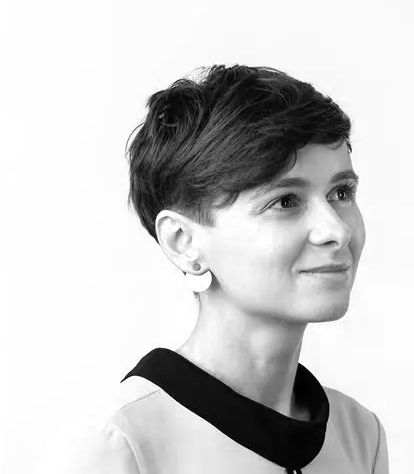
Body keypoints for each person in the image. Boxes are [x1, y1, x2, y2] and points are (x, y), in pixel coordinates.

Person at [32, 64, 389, 473]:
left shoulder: (360, 435)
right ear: (183, 241)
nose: (338, 230)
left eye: (341, 192)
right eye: (285, 201)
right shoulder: (115, 444)